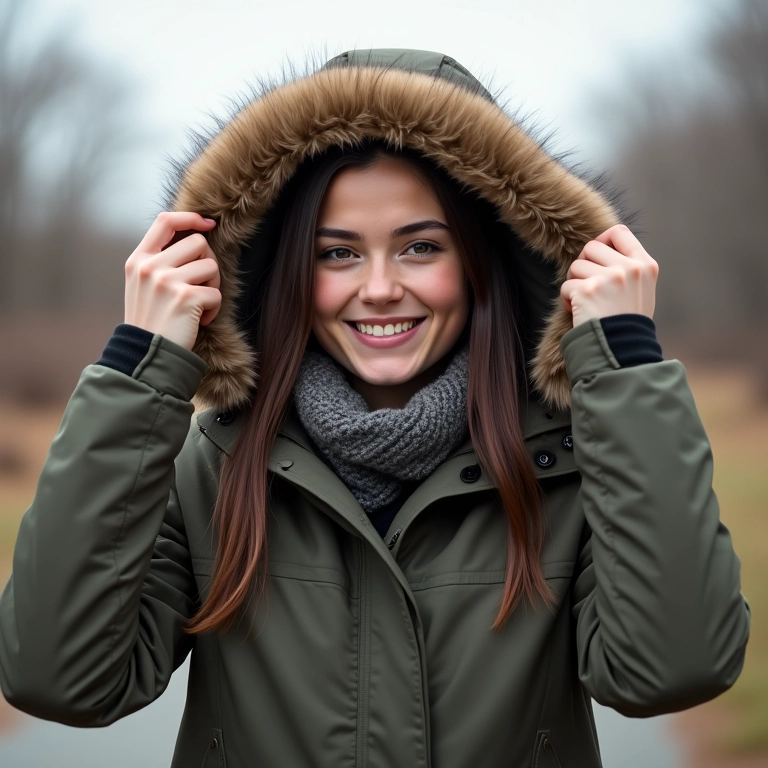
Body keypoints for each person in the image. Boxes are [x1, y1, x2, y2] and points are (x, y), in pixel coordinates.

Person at [0, 49, 751, 767]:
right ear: (287, 272)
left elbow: (672, 670)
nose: (381, 287)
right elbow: (60, 679)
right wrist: (140, 366)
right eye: (337, 252)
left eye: (422, 247)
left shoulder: (572, 465)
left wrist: (624, 361)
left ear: (484, 262)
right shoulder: (215, 466)